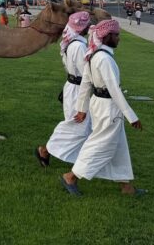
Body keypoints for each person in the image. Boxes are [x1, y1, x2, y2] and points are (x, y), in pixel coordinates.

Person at [59, 19, 145, 197]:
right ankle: (71, 176)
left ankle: (126, 186)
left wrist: (82, 108)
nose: (119, 39)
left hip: (100, 104)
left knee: (119, 145)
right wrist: (132, 117)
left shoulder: (94, 55)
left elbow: (85, 84)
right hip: (108, 107)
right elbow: (114, 90)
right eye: (117, 35)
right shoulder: (104, 59)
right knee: (101, 145)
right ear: (107, 37)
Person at [35, 11, 92, 168]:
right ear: (82, 27)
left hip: (73, 87)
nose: (88, 27)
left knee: (83, 126)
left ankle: (83, 162)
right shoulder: (79, 46)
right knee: (76, 126)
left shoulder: (72, 43)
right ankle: (45, 150)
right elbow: (86, 74)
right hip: (79, 90)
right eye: (87, 24)